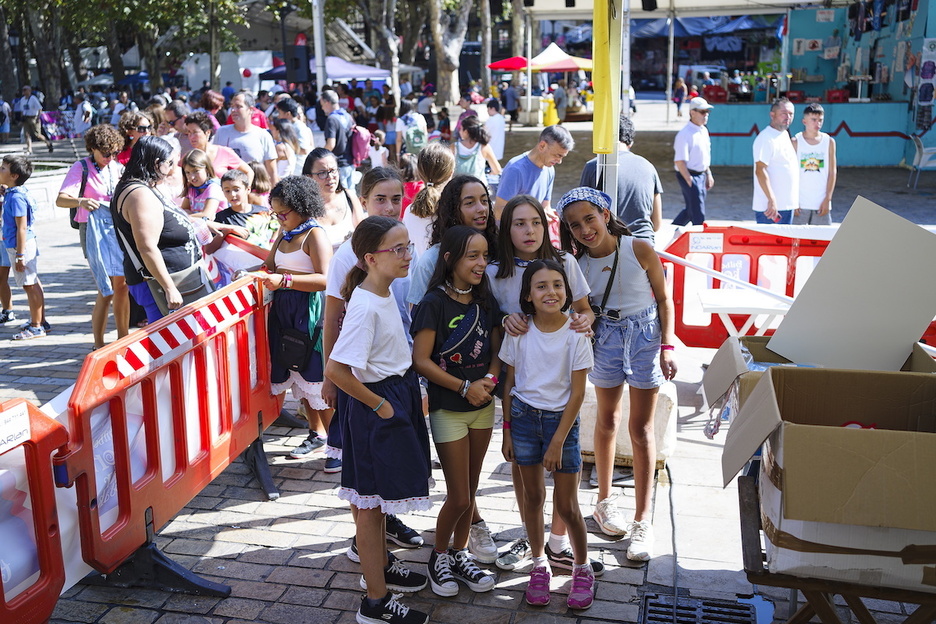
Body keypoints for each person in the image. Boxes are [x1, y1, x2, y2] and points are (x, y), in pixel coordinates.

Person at [557, 186, 677, 562]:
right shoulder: (578, 264)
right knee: (607, 419)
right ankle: (604, 501)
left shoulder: (639, 247)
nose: (584, 229)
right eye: (575, 225)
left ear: (606, 215)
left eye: (590, 219)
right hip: (606, 339)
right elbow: (580, 308)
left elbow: (663, 298)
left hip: (644, 337)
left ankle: (643, 519)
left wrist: (668, 345)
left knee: (640, 428)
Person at [487, 196, 605, 576]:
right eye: (519, 223)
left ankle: (557, 545)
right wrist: (507, 323)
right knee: (527, 479)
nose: (528, 230)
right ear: (507, 230)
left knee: (565, 488)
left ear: (545, 225)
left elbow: (583, 309)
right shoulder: (496, 271)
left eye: (535, 222)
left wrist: (585, 322)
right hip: (521, 376)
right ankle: (533, 542)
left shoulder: (565, 263)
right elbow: (490, 320)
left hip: (559, 371)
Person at [324, 215, 431, 624]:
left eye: (409, 247)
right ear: (371, 258)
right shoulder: (366, 306)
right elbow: (336, 371)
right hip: (377, 408)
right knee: (368, 506)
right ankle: (375, 602)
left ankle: (380, 568)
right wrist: (381, 406)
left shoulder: (380, 293)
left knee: (380, 500)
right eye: (398, 249)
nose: (408, 256)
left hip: (392, 397)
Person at [499, 259, 596, 609]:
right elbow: (509, 383)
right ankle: (539, 565)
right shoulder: (519, 332)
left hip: (562, 424)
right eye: (541, 286)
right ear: (528, 294)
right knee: (533, 498)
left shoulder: (576, 333)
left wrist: (557, 441)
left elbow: (579, 393)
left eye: (557, 284)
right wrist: (507, 430)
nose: (550, 292)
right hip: (523, 418)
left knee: (567, 505)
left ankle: (583, 569)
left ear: (567, 292)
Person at [411, 225, 500, 598]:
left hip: (483, 407)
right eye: (472, 256)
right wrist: (464, 386)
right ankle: (439, 556)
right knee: (459, 495)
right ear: (450, 260)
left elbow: (497, 348)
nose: (481, 264)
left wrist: (489, 382)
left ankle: (461, 554)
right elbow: (420, 360)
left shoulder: (485, 300)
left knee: (471, 489)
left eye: (484, 256)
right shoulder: (433, 302)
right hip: (449, 408)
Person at [255, 175, 333, 464]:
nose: (279, 219)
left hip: (308, 312)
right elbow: (272, 264)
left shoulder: (315, 234)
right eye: (275, 213)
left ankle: (338, 443)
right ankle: (317, 434)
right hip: (285, 310)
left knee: (314, 376)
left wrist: (285, 281)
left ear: (301, 207)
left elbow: (326, 279)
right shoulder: (284, 232)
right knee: (297, 375)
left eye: (283, 213)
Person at [111, 136, 213, 322]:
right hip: (160, 286)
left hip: (170, 281)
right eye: (170, 163)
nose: (173, 169)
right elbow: (147, 247)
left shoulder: (139, 187)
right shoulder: (139, 195)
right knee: (170, 345)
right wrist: (169, 288)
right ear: (157, 163)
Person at [55, 124, 129, 349]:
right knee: (104, 288)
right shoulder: (81, 167)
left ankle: (123, 339)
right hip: (93, 231)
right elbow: (61, 199)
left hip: (115, 228)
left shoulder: (117, 168)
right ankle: (98, 343)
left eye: (115, 153)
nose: (110, 157)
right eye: (106, 153)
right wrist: (81, 202)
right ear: (93, 149)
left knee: (122, 285)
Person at [407, 175, 498, 308]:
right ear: (453, 210)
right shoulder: (431, 260)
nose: (481, 208)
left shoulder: (498, 249)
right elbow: (417, 313)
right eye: (470, 203)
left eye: (484, 201)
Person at [580, 114, 662, 243]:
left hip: (609, 247)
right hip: (645, 246)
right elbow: (656, 224)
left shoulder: (594, 166)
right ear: (631, 142)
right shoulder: (648, 166)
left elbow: (582, 213)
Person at [1, 155, 48, 339]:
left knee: (29, 285)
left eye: (3, 168)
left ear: (14, 176)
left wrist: (20, 255)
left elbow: (21, 226)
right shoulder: (16, 192)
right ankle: (40, 321)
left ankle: (37, 327)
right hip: (22, 245)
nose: (0, 170)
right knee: (32, 282)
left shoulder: (16, 198)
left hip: (21, 247)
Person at [494, 125, 573, 223]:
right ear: (542, 146)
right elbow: (499, 211)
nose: (559, 161)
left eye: (562, 157)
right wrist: (535, 217)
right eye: (557, 155)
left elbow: (545, 206)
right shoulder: (515, 169)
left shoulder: (549, 170)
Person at [301, 148, 365, 253]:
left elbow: (363, 236)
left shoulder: (349, 197)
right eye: (322, 173)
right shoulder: (301, 207)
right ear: (309, 177)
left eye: (333, 171)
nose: (330, 177)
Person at [214, 92, 279, 187]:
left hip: (255, 191)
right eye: (232, 106)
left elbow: (272, 171)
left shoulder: (263, 135)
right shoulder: (221, 132)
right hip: (227, 192)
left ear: (251, 109)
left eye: (238, 106)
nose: (233, 110)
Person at [404, 143, 455, 257]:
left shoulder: (409, 211)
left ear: (420, 173)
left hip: (417, 274)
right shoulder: (457, 209)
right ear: (451, 173)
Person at [753, 98, 798, 224]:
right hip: (771, 209)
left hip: (786, 206)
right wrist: (771, 199)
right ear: (772, 115)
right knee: (769, 244)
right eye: (784, 113)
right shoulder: (766, 138)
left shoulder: (784, 135)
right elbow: (760, 170)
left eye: (791, 114)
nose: (788, 117)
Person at [671, 98, 714, 227]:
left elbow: (704, 155)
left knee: (691, 209)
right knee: (698, 211)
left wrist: (708, 174)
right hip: (689, 174)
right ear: (692, 112)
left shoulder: (703, 130)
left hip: (701, 174)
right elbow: (679, 161)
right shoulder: (684, 134)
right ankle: (700, 237)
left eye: (707, 112)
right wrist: (689, 180)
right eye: (702, 111)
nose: (705, 114)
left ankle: (674, 231)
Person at [792, 103, 837, 225]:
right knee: (795, 242)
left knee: (823, 242)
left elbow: (832, 172)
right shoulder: (796, 141)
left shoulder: (829, 142)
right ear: (804, 121)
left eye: (820, 120)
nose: (817, 123)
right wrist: (793, 201)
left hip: (821, 204)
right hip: (800, 203)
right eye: (813, 120)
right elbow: (790, 174)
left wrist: (828, 199)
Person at [183, 112, 253, 184]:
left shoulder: (224, 152)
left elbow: (248, 172)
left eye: (195, 132)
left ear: (207, 133)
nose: (191, 137)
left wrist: (245, 191)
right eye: (189, 132)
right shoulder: (188, 157)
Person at [215, 169, 278, 249]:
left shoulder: (263, 211)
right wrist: (227, 230)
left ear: (248, 189)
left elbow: (277, 227)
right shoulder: (221, 217)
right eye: (227, 191)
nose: (232, 194)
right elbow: (209, 249)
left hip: (263, 259)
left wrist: (272, 243)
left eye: (236, 189)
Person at [319, 90, 356, 191]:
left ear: (327, 102)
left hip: (338, 164)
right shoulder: (348, 116)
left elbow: (331, 144)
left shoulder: (332, 119)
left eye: (322, 104)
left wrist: (318, 155)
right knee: (351, 195)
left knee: (341, 196)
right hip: (350, 162)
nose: (322, 108)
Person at [180, 149, 226, 220]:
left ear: (207, 169)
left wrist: (187, 216)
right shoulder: (192, 188)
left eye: (196, 171)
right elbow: (183, 210)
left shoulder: (213, 187)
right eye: (188, 172)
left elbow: (207, 215)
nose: (192, 177)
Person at [453, 117, 502, 183]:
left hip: (458, 187)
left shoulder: (453, 147)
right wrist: (489, 174)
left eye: (461, 129)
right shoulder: (484, 147)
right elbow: (497, 170)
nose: (459, 131)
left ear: (466, 131)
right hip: (479, 188)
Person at [19, 85, 53, 154]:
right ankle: (29, 149)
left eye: (25, 90)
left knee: (37, 135)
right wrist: (21, 119)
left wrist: (38, 118)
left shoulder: (33, 99)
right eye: (23, 90)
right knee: (26, 134)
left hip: (33, 117)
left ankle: (48, 143)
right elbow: (22, 110)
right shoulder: (22, 100)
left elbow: (40, 108)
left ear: (29, 91)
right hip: (26, 118)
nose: (24, 92)